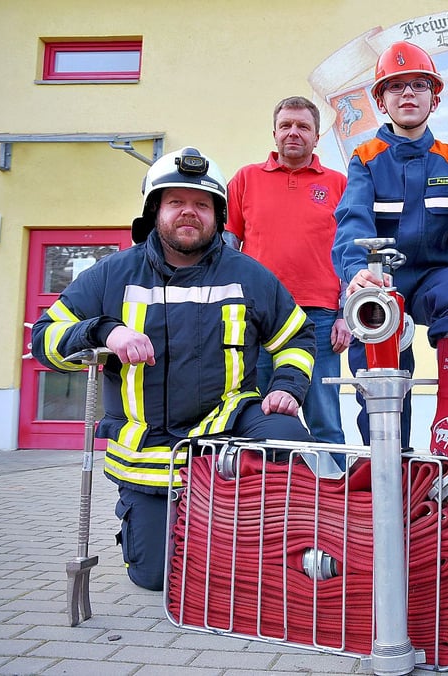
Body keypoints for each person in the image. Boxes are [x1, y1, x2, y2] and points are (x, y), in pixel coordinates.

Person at [31, 147, 316, 591]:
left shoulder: (249, 275)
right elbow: (44, 338)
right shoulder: (112, 275)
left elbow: (296, 335)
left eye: (202, 204)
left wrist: (288, 386)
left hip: (226, 430)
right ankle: (170, 535)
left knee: (288, 434)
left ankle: (259, 540)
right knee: (155, 578)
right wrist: (104, 332)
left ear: (218, 217)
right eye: (176, 202)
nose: (189, 212)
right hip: (150, 452)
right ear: (155, 211)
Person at [333, 41, 448, 470]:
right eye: (395, 86)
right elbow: (352, 222)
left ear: (434, 98)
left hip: (436, 277)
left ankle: (446, 424)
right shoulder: (366, 159)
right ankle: (387, 462)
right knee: (378, 347)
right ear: (381, 101)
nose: (407, 94)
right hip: (382, 280)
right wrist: (357, 274)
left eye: (419, 85)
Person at [225, 96, 350, 445]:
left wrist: (345, 315)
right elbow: (226, 250)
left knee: (325, 420)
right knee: (260, 415)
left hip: (320, 318)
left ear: (316, 136)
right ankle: (266, 480)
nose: (293, 132)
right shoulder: (245, 179)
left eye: (303, 126)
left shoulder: (339, 184)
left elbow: (348, 253)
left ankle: (331, 481)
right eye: (286, 125)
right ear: (275, 133)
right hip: (258, 317)